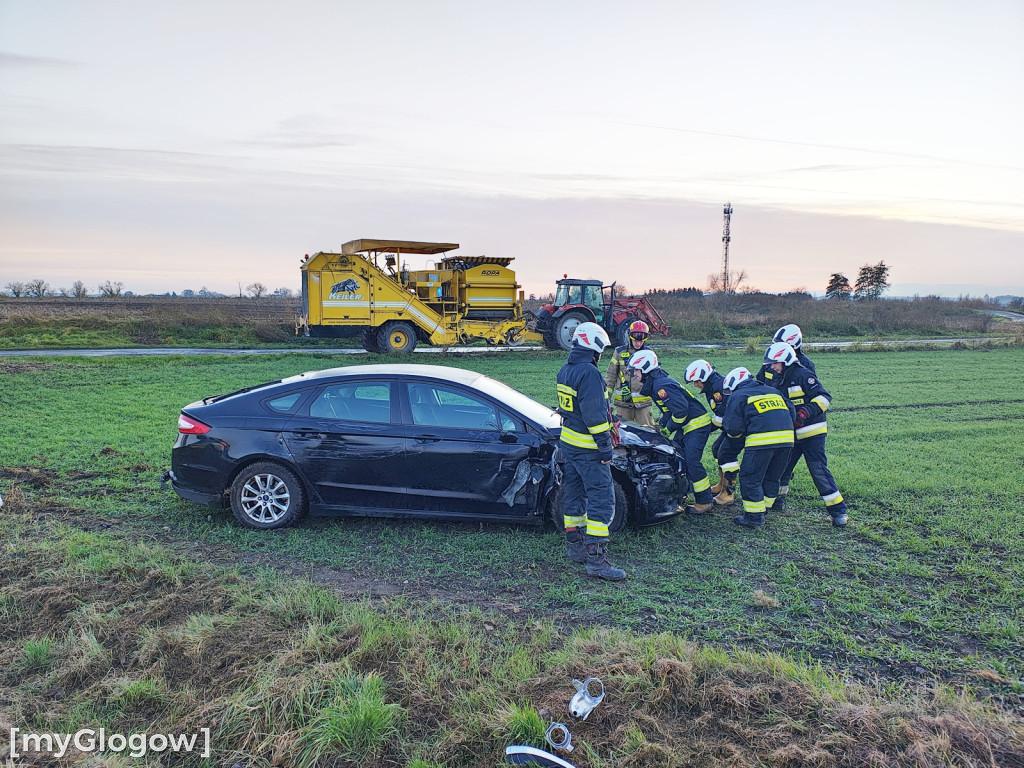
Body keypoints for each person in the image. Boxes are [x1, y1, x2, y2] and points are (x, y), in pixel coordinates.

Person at [556, 321, 626, 580]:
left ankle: (576, 548)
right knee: (601, 499)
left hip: (570, 444)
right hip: (588, 449)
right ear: (594, 346)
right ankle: (597, 560)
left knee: (573, 494)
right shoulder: (590, 373)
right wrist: (606, 448)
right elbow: (595, 416)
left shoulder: (566, 370)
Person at [763, 341, 848, 526]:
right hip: (791, 432)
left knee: (818, 470)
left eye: (774, 363)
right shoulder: (778, 378)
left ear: (785, 361)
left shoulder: (803, 375)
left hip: (812, 432)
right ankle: (776, 501)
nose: (772, 367)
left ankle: (838, 511)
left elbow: (824, 398)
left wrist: (804, 413)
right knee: (782, 467)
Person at [628, 349, 715, 514]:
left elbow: (680, 411)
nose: (635, 374)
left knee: (692, 462)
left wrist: (667, 429)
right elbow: (669, 410)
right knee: (678, 456)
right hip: (689, 426)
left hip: (697, 426)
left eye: (636, 370)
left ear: (646, 369)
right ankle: (685, 491)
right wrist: (660, 425)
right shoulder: (657, 383)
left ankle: (705, 501)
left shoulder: (661, 385)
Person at [717, 366, 796, 528]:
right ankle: (764, 508)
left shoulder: (738, 395)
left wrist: (737, 438)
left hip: (761, 441)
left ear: (734, 384)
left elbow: (733, 427)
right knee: (772, 477)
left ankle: (754, 517)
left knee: (750, 478)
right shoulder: (773, 391)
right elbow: (792, 411)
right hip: (787, 441)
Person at [684, 359, 733, 504]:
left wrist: (705, 428)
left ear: (705, 377)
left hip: (737, 427)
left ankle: (728, 493)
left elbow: (722, 414)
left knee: (726, 454)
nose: (696, 385)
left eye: (697, 381)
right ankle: (721, 485)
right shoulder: (713, 386)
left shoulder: (718, 388)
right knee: (717, 448)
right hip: (730, 426)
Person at [603, 320, 655, 427]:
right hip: (623, 404)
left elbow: (655, 377)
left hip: (643, 404)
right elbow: (611, 376)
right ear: (630, 337)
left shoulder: (649, 354)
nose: (638, 343)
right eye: (635, 340)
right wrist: (606, 398)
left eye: (640, 341)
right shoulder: (619, 352)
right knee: (622, 434)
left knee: (648, 434)